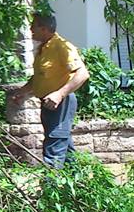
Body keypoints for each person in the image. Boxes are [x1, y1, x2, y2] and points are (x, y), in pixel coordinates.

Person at [10, 13, 90, 168]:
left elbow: (82, 74)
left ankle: (49, 188)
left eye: (34, 25)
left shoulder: (61, 46)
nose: (31, 28)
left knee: (54, 149)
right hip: (48, 104)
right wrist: (23, 92)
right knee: (64, 149)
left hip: (61, 104)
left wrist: (59, 94)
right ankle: (80, 186)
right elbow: (40, 78)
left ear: (44, 29)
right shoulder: (43, 49)